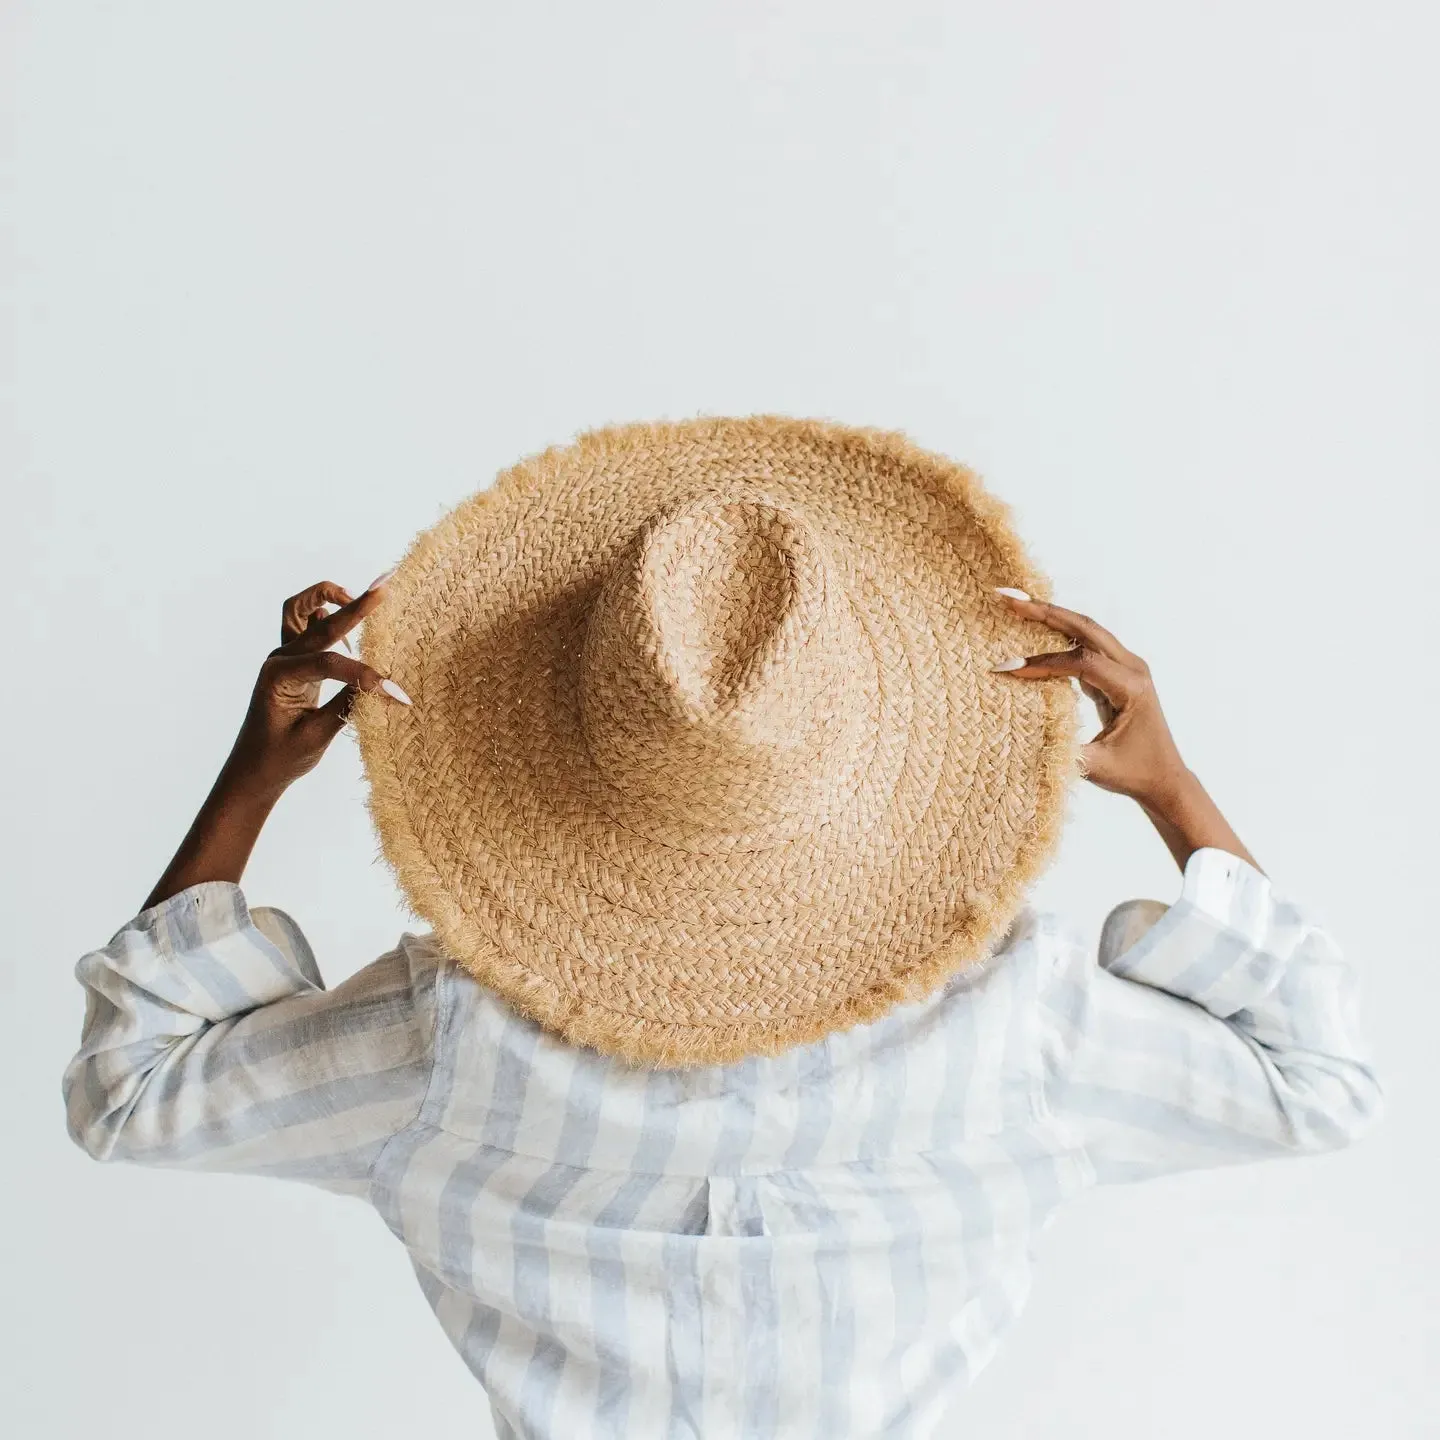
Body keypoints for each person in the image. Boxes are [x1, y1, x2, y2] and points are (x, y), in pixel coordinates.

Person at [62, 422, 1384, 1440]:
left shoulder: (452, 1047)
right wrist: (1170, 786)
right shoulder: (1016, 1034)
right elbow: (1316, 1083)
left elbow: (136, 1094)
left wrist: (250, 783)